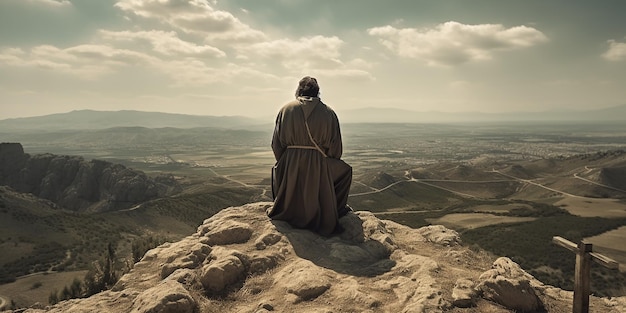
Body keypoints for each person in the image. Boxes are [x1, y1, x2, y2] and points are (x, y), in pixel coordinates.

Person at [268, 76, 352, 236]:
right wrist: (325, 161)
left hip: (289, 160)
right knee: (345, 171)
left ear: (299, 90)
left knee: (276, 169)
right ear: (317, 92)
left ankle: (285, 207)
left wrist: (287, 163)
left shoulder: (286, 109)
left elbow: (276, 145)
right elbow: (335, 149)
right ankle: (335, 210)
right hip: (319, 161)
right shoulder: (328, 112)